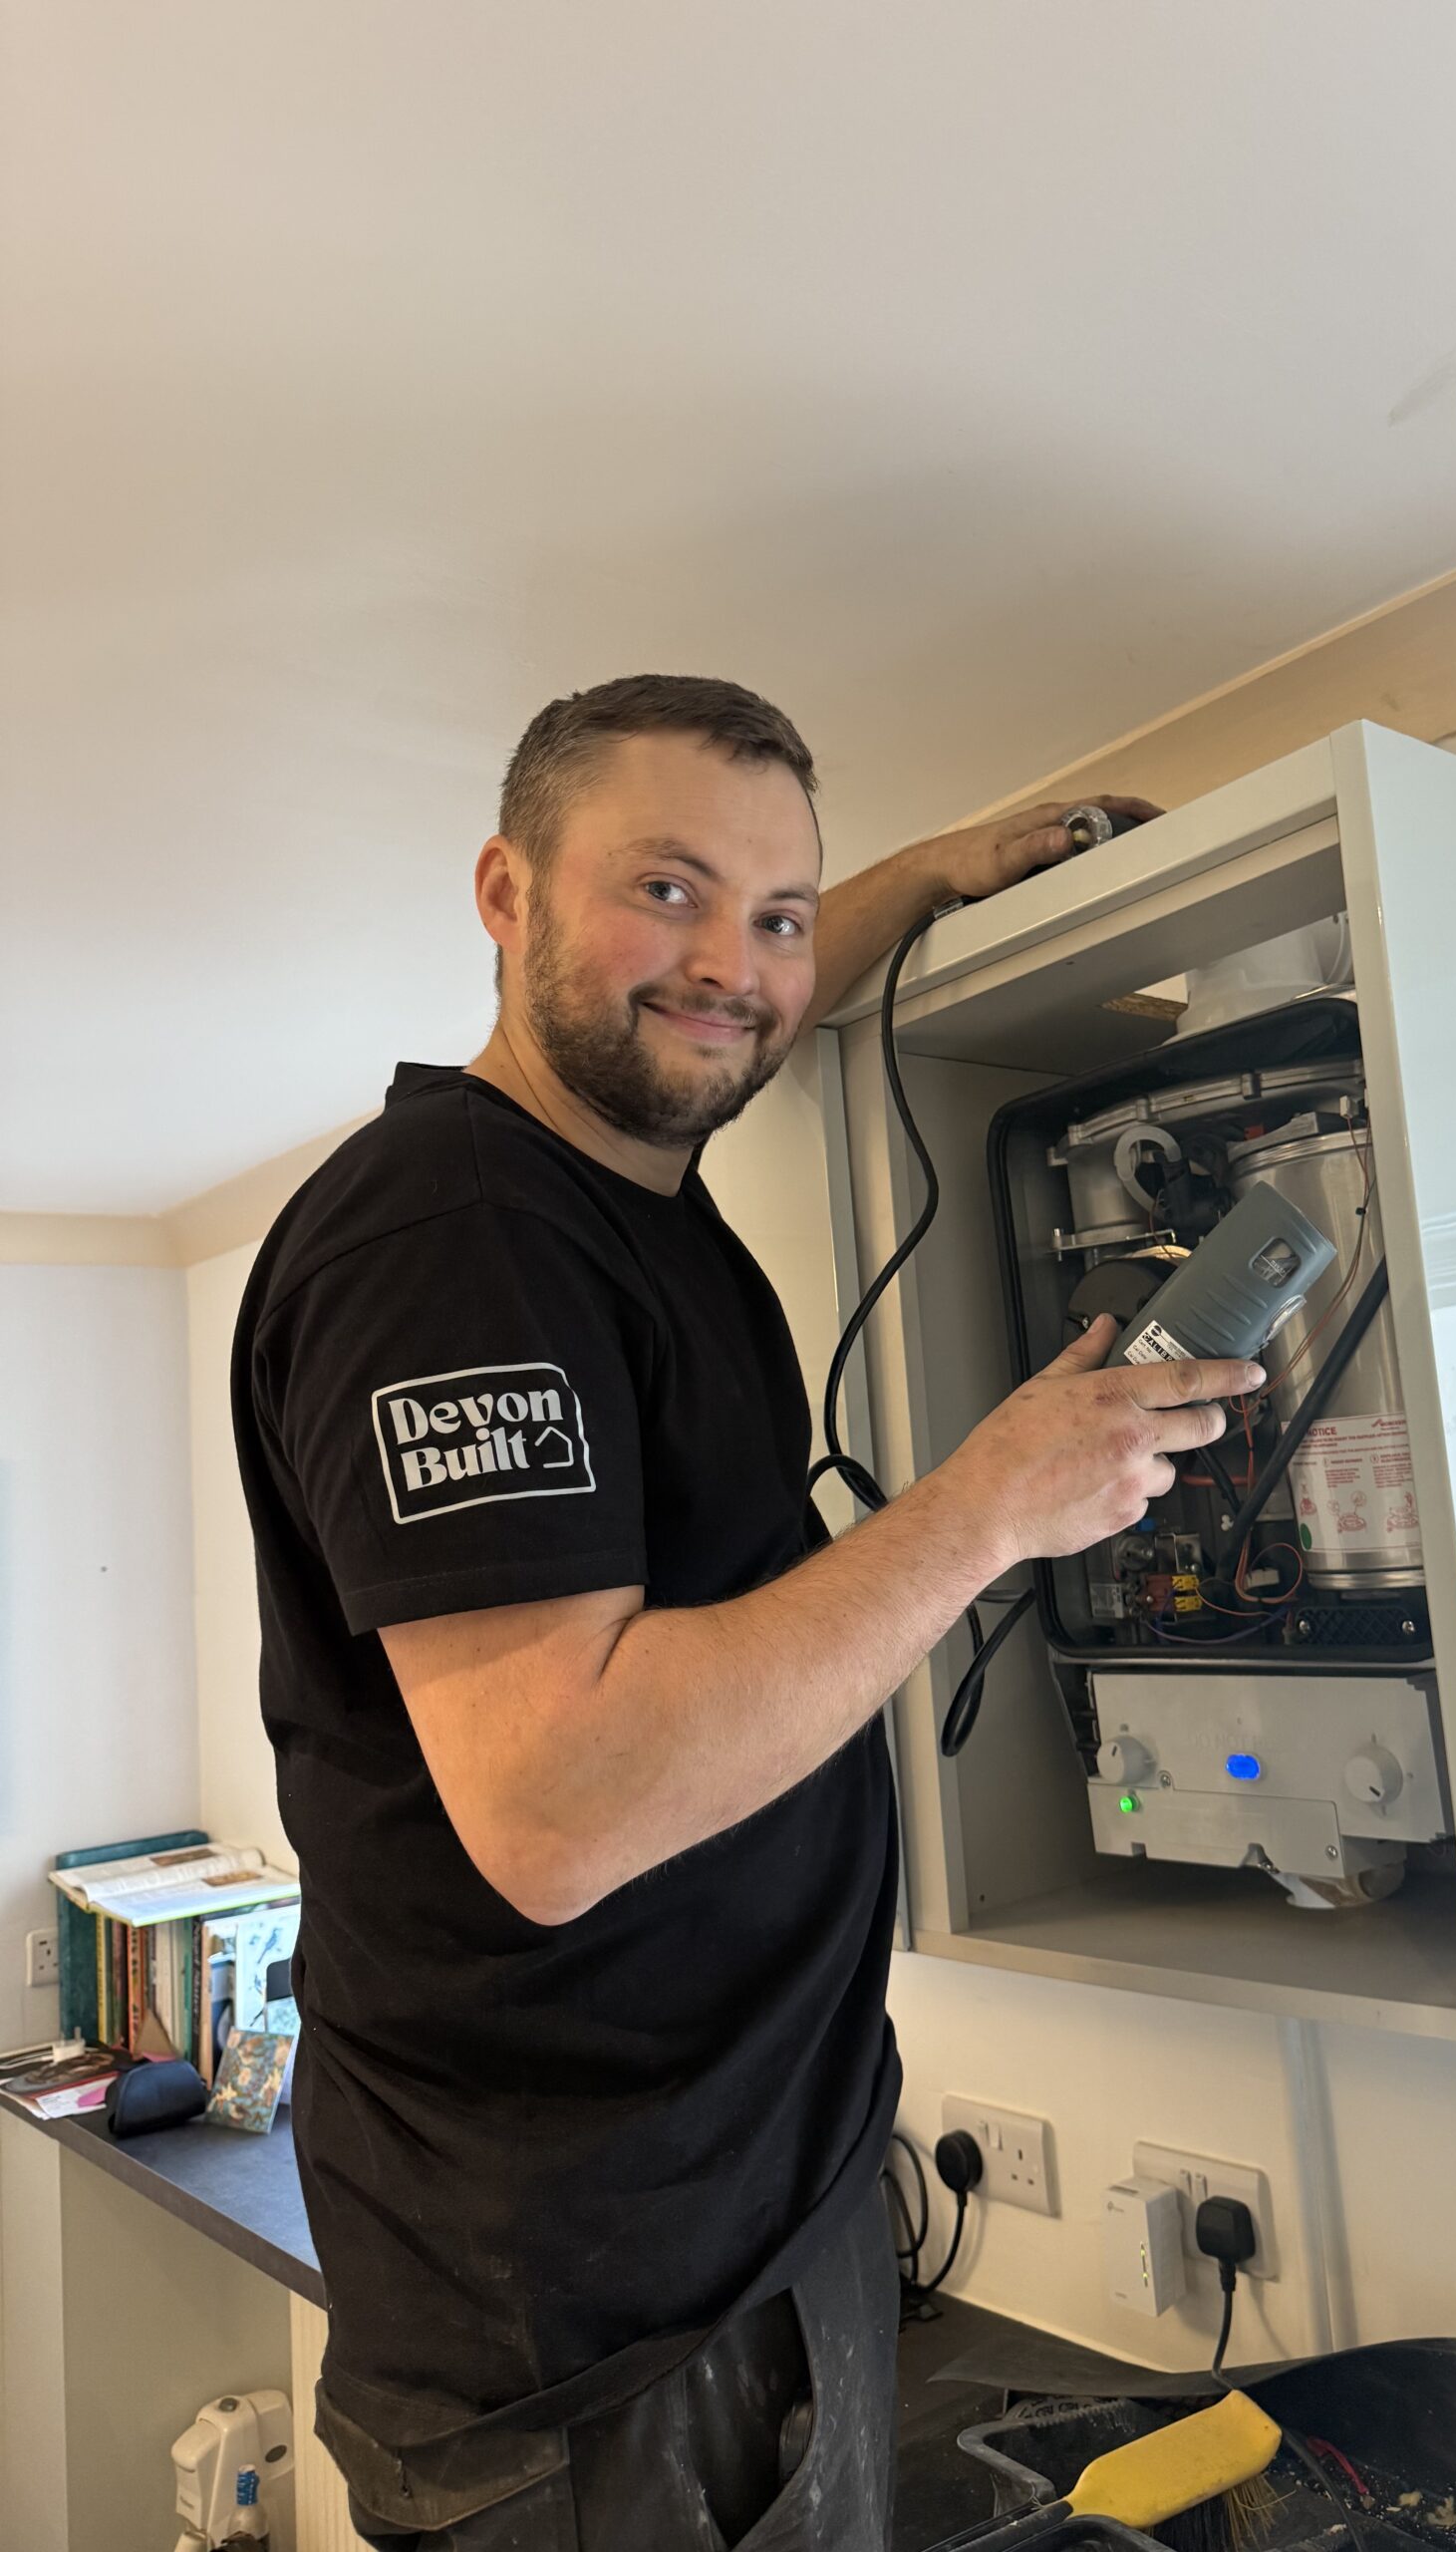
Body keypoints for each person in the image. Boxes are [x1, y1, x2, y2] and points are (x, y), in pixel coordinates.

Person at [231, 674, 1260, 2549]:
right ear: (506, 893)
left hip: (745, 2234)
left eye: (777, 913)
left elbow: (736, 1008)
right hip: (587, 2346)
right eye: (669, 889)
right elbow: (557, 1808)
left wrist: (930, 877)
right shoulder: (451, 1244)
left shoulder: (624, 1187)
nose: (735, 964)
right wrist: (984, 1512)